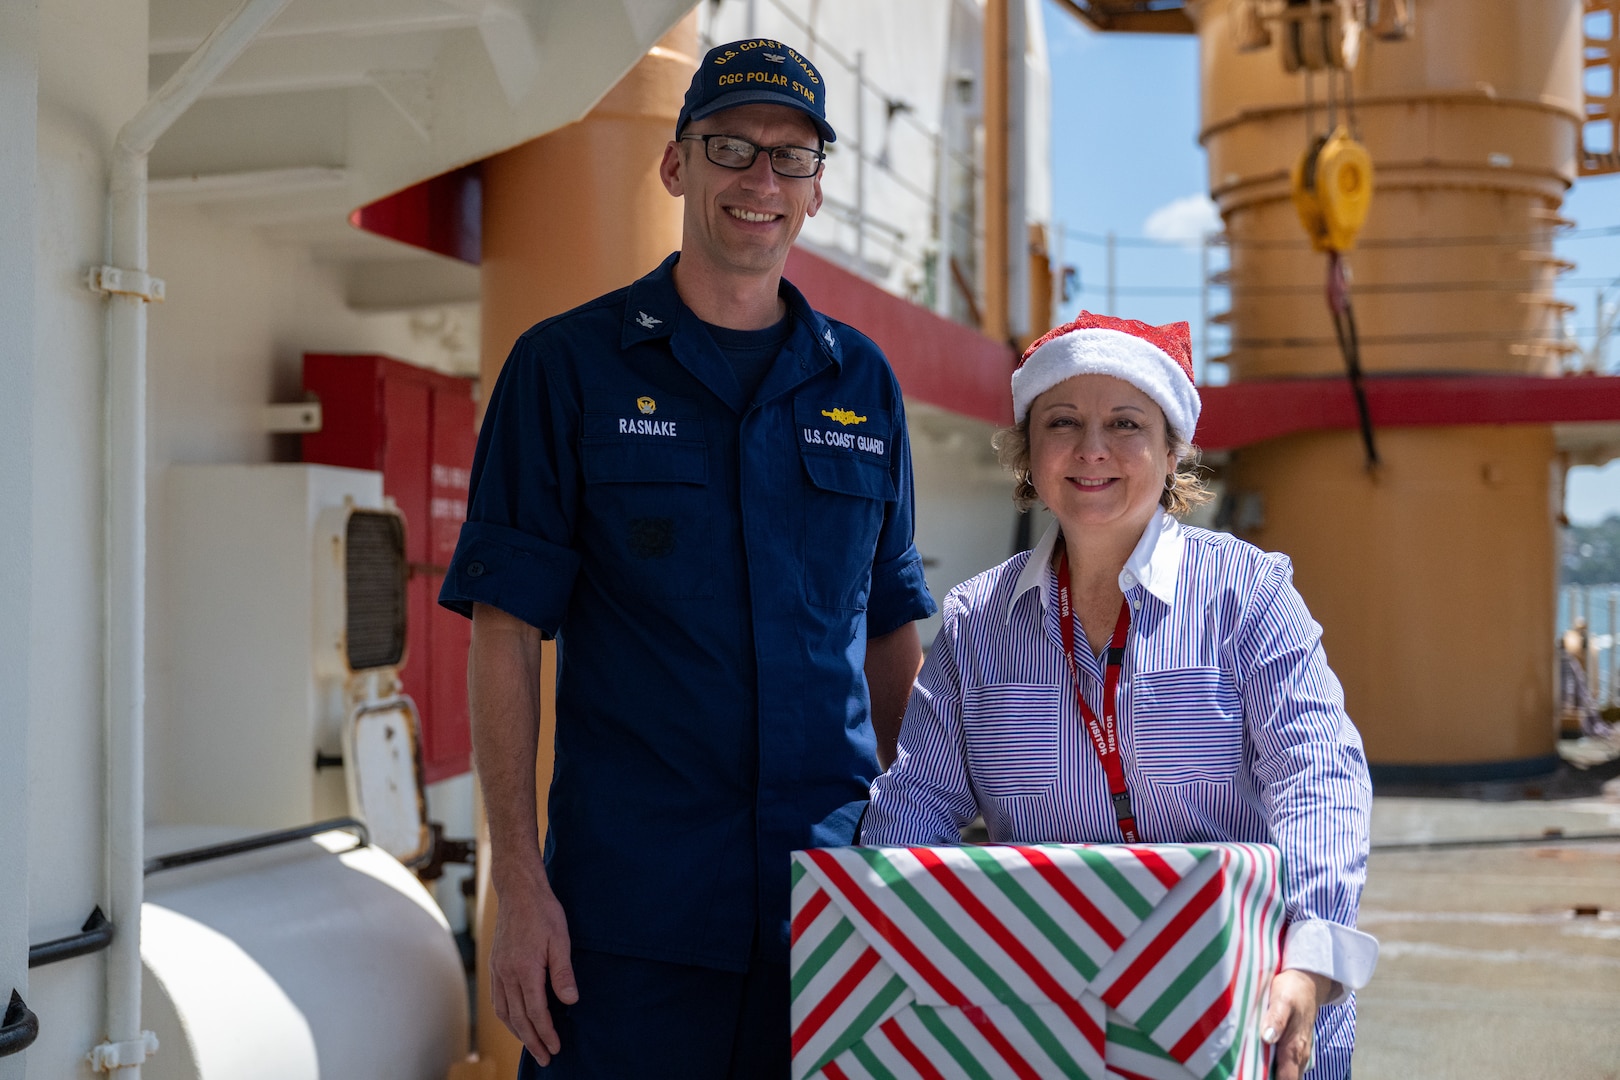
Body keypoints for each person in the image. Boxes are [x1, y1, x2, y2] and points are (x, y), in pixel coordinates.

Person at [438, 38, 936, 1080]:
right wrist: (517, 885)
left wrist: (931, 871)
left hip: (834, 912)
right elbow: (505, 630)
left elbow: (890, 625)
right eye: (731, 148)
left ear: (815, 192)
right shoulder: (565, 369)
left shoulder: (867, 385)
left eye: (790, 159)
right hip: (625, 929)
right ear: (676, 164)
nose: (760, 180)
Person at [860, 312, 1377, 1080]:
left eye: (1126, 423)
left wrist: (1309, 958)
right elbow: (917, 803)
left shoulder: (1249, 593)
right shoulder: (975, 622)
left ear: (1173, 452)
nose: (1092, 448)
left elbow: (1318, 778)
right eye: (1062, 421)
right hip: (1045, 1020)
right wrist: (885, 934)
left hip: (1241, 1008)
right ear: (1029, 455)